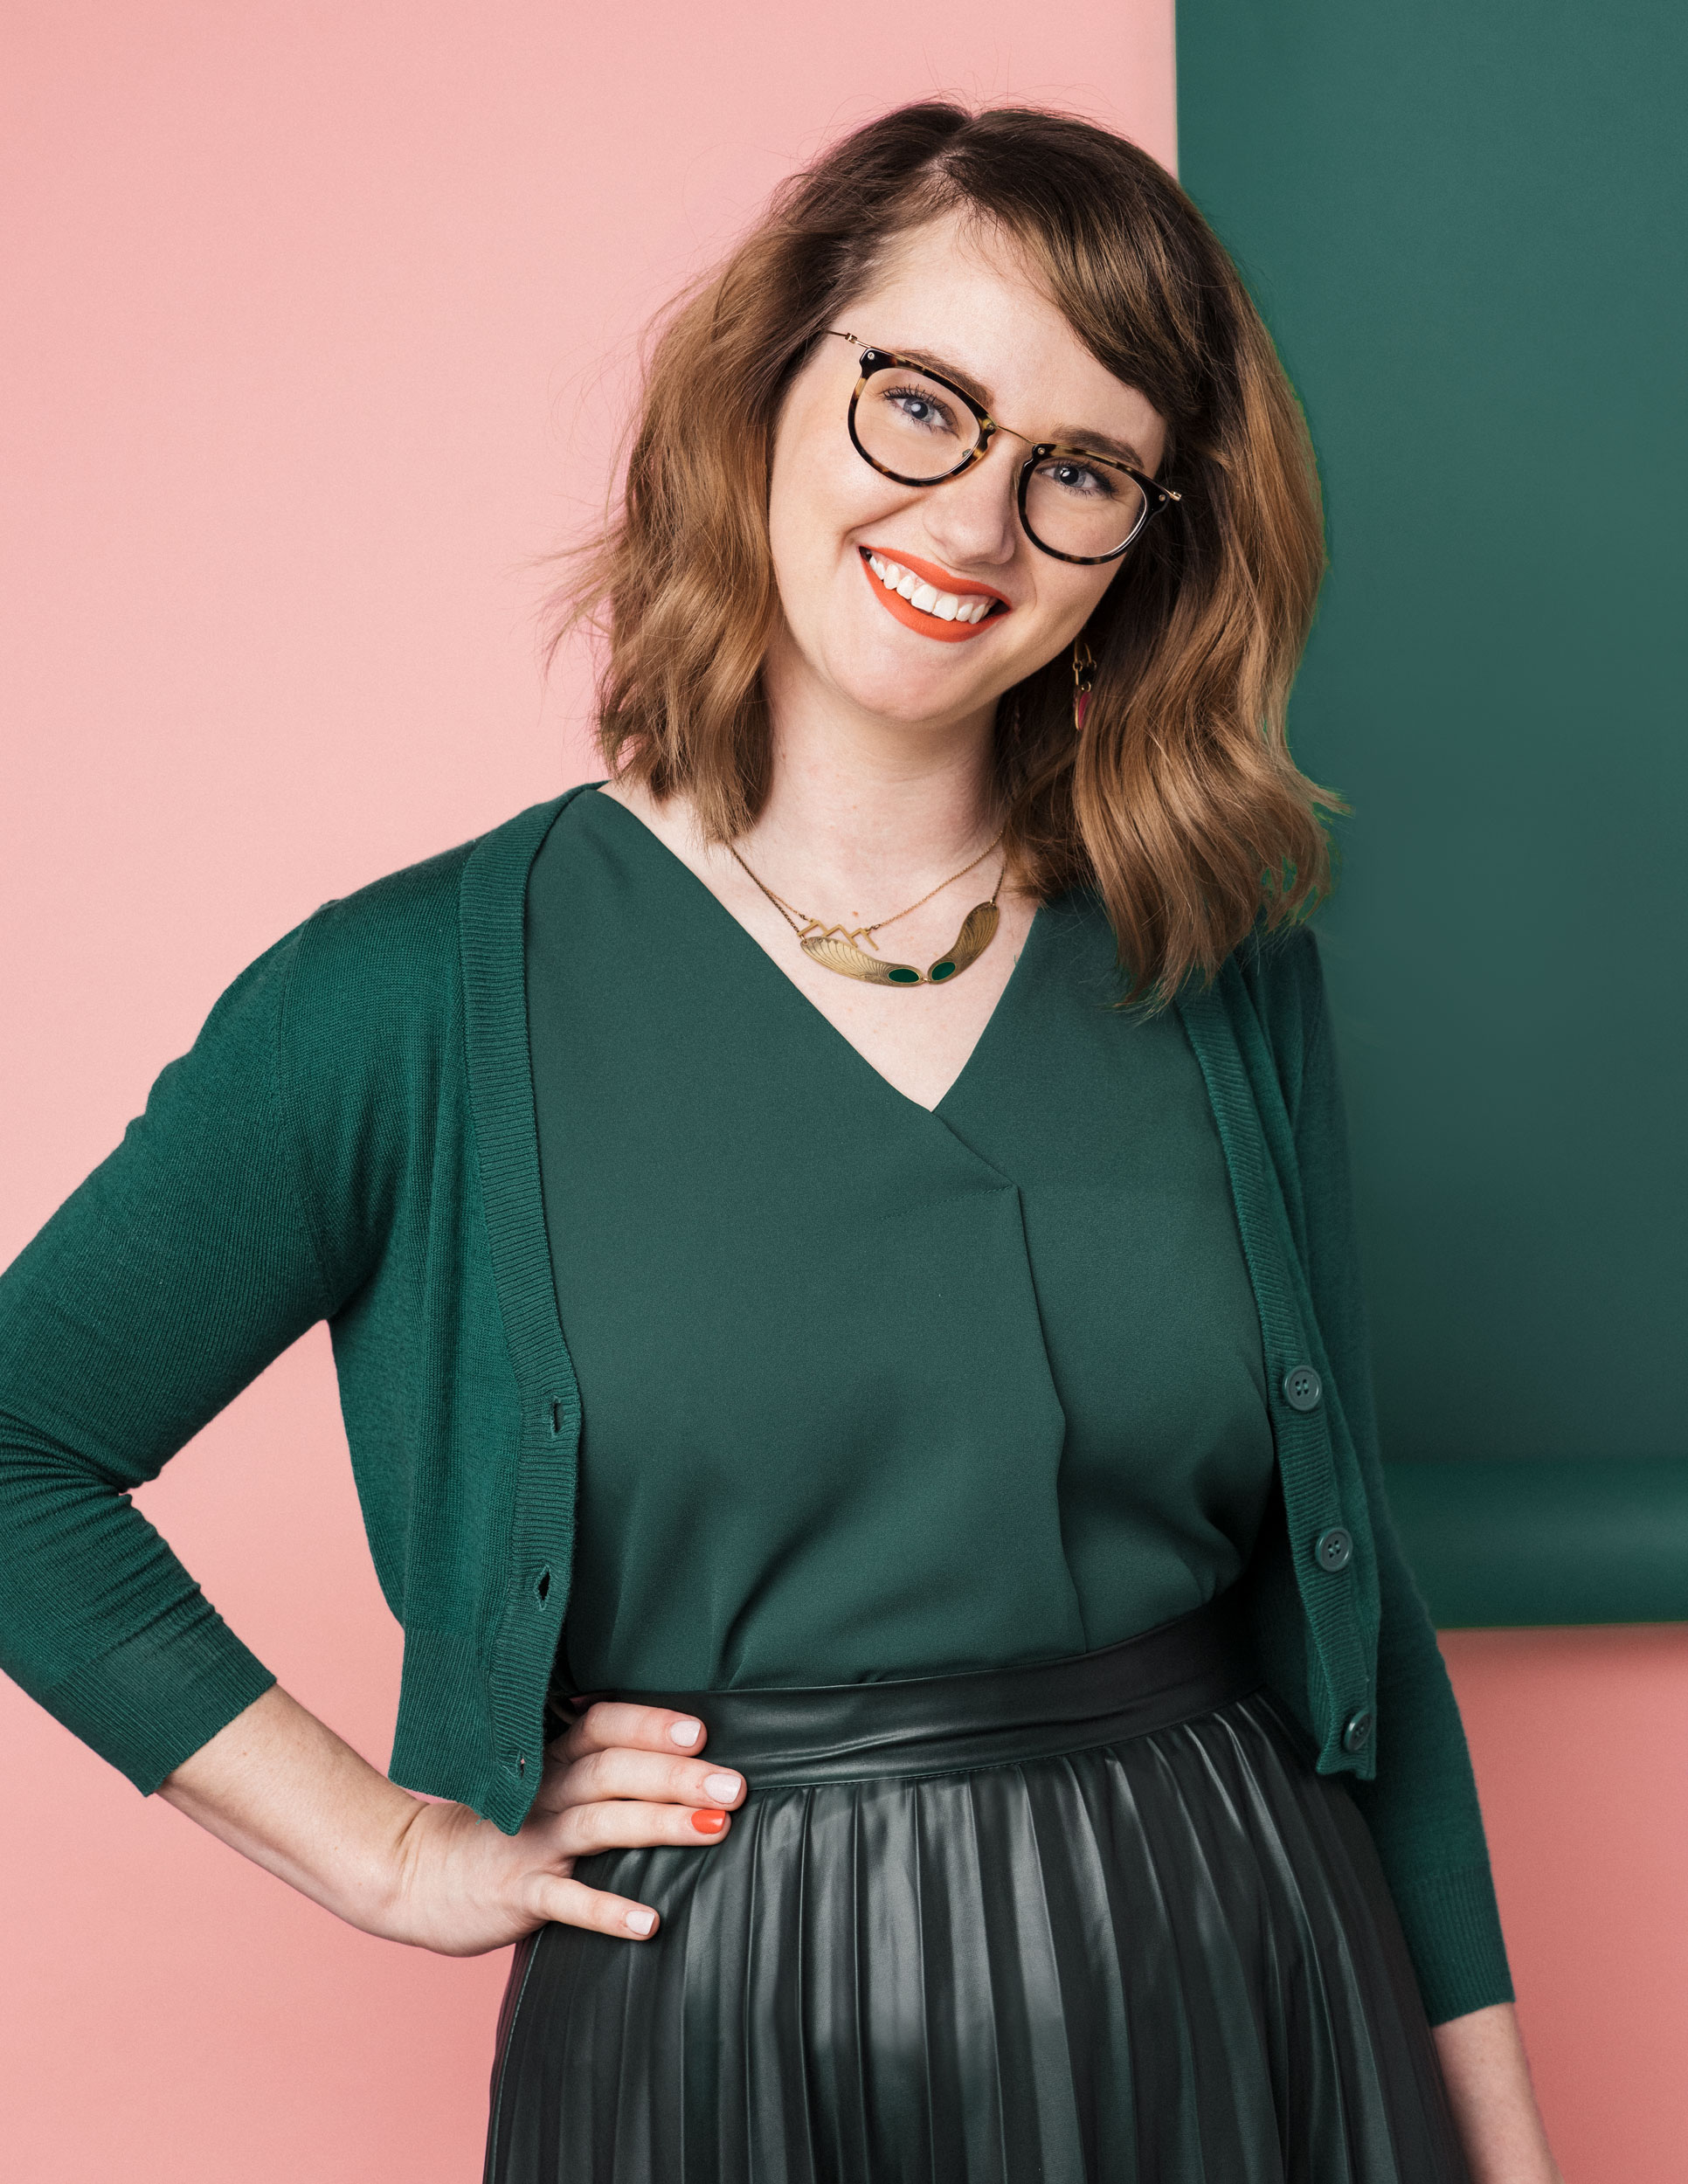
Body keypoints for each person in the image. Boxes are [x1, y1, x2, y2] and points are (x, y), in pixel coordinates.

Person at [0, 101, 1560, 2183]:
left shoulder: (1223, 968)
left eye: (1077, 470)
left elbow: (1361, 1619)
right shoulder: (404, 1000)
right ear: (770, 381)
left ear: (1146, 544)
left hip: (1249, 1976)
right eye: (922, 404)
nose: (979, 521)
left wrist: (1507, 2148)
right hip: (722, 2033)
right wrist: (382, 1846)